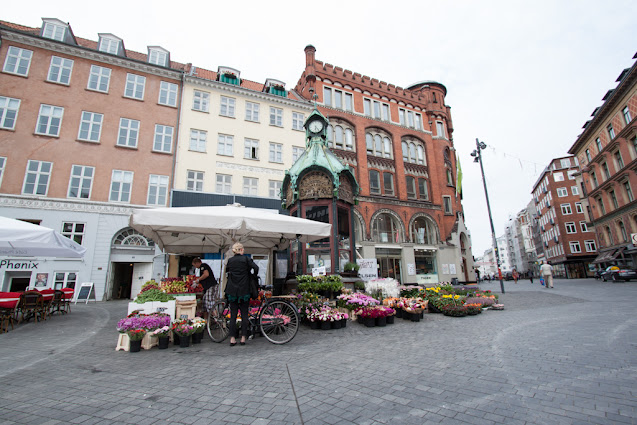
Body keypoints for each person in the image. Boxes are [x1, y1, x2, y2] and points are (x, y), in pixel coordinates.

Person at [225, 242, 259, 346]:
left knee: (233, 315)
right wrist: (251, 276)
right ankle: (243, 338)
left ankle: (232, 338)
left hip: (232, 290)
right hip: (244, 289)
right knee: (244, 314)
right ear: (241, 250)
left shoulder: (230, 261)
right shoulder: (246, 259)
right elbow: (256, 268)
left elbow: (227, 272)